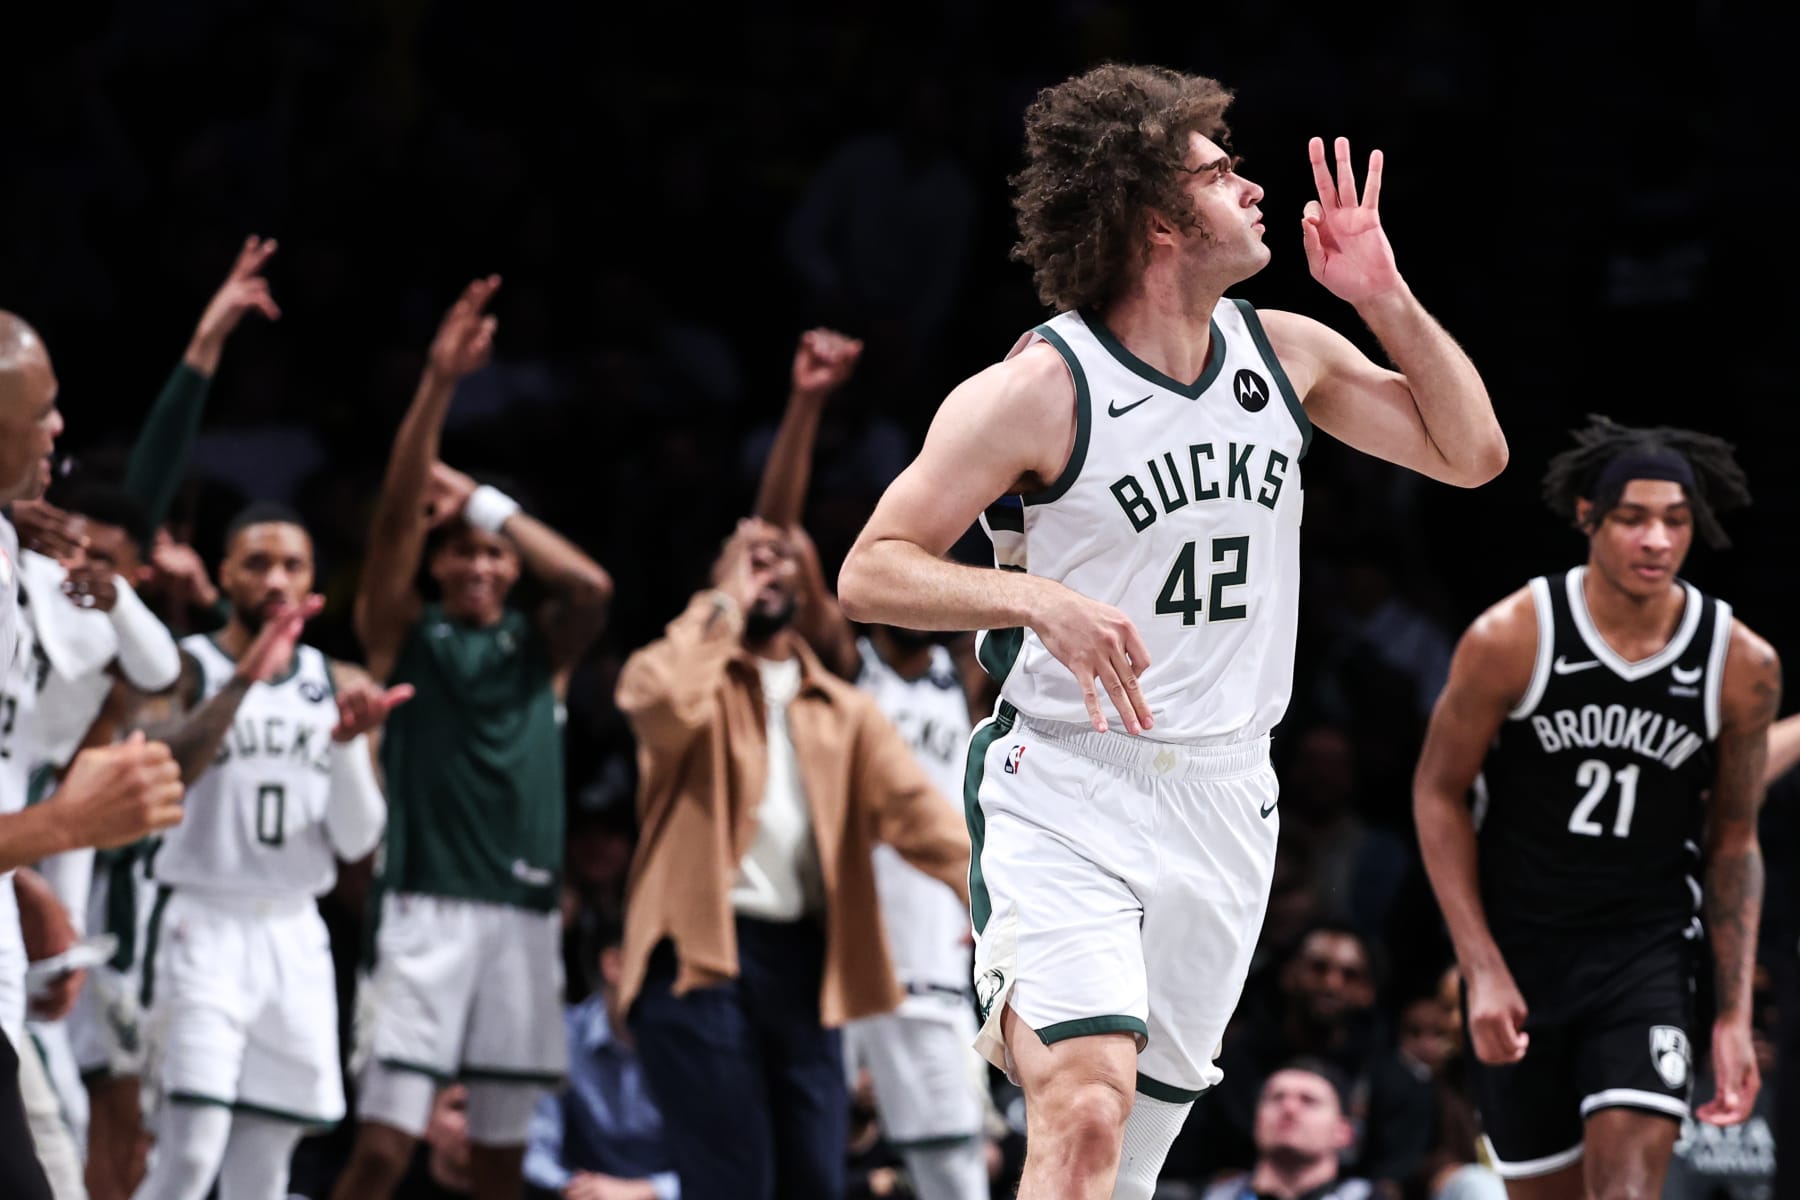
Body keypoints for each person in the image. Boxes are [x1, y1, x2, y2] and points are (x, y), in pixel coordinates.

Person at [835, 63, 1506, 1199]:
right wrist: (1034, 599)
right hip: (1069, 783)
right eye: (1219, 172)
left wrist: (1384, 294)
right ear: (1155, 219)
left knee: (1128, 1167)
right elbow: (870, 570)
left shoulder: (1285, 352)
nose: (1252, 187)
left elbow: (1472, 455)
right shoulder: (1042, 387)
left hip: (1228, 798)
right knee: (1084, 1109)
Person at [1412, 417, 1778, 1197]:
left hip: (1646, 951)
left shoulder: (1741, 663)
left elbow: (1734, 840)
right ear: (1588, 517)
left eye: (1675, 521)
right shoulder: (1512, 636)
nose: (1657, 540)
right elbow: (1438, 793)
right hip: (1522, 949)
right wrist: (1480, 967)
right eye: (1633, 518)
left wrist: (1733, 1014)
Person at [335, 277, 614, 1200]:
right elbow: (390, 527)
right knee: (383, 1152)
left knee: (500, 1166)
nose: (481, 564)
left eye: (493, 550)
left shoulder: (543, 651)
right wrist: (439, 383)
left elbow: (592, 587)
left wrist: (485, 503)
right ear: (437, 561)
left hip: (524, 918)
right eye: (461, 548)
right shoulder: (403, 632)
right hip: (423, 908)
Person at [614, 516, 972, 1200]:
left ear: (806, 589)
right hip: (697, 955)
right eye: (748, 561)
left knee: (814, 1177)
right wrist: (722, 603)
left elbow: (925, 820)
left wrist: (988, 898)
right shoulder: (694, 685)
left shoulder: (845, 710)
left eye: (778, 561)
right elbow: (655, 700)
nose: (765, 573)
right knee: (732, 1184)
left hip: (805, 965)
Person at [752, 324, 993, 1200]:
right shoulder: (846, 663)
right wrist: (805, 404)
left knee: (953, 1172)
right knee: (810, 1167)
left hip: (933, 950)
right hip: (841, 950)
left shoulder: (966, 675)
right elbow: (774, 535)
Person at [125, 501, 409, 1199]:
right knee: (190, 1156)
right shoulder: (182, 666)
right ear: (224, 574)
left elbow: (358, 841)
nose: (275, 579)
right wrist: (246, 676)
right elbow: (163, 773)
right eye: (257, 564)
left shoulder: (338, 682)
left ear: (313, 580)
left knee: (264, 1172)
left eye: (292, 566)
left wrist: (347, 749)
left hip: (293, 934)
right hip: (200, 925)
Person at [0, 310, 187, 1200]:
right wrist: (62, 828)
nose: (59, 429)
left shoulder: (19, 550)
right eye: (41, 413)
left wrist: (24, 880)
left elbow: (161, 672)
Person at [523, 917, 678, 1199]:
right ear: (614, 965)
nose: (679, 984)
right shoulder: (559, 1036)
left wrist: (648, 1191)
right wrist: (578, 1188)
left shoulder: (694, 1048)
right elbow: (535, 1148)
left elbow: (719, 1160)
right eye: (665, 967)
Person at [1199, 1062, 1373, 1200]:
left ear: (1344, 1132)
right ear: (1257, 1120)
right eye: (1276, 1098)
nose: (1289, 1108)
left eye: (1308, 1100)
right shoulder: (1207, 1195)